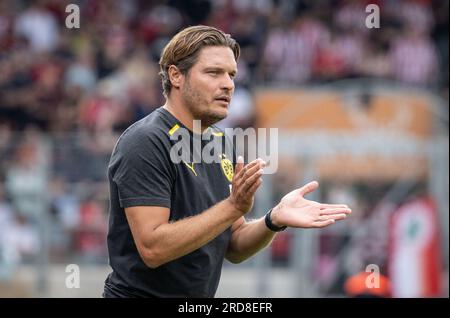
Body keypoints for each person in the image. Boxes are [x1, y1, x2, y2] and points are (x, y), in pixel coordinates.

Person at [103, 25, 351, 298]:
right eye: (213, 72)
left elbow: (233, 244)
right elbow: (153, 249)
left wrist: (273, 220)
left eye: (231, 74)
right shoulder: (147, 141)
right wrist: (233, 207)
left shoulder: (221, 142)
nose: (228, 84)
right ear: (176, 76)